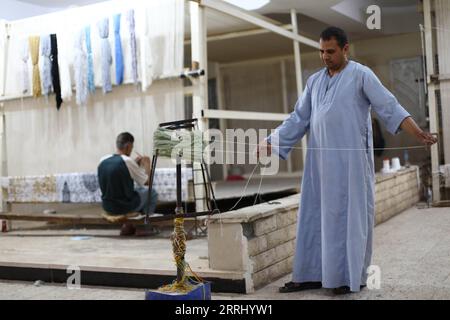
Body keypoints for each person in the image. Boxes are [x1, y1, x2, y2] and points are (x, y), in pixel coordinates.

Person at [258, 27, 437, 295]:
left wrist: (418, 132)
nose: (325, 57)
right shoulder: (314, 82)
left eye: (330, 51)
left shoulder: (361, 75)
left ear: (345, 49)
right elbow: (298, 118)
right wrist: (272, 141)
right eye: (321, 51)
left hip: (351, 167)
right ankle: (309, 275)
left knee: (348, 220)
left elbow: (389, 105)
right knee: (313, 218)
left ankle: (345, 277)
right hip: (319, 167)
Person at [98, 132, 159, 236]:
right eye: (131, 147)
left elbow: (117, 176)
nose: (131, 150)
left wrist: (134, 164)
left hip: (108, 206)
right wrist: (148, 165)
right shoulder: (127, 161)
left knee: (135, 191)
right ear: (128, 146)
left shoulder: (103, 160)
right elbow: (148, 183)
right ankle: (144, 227)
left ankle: (128, 226)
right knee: (152, 193)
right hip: (123, 207)